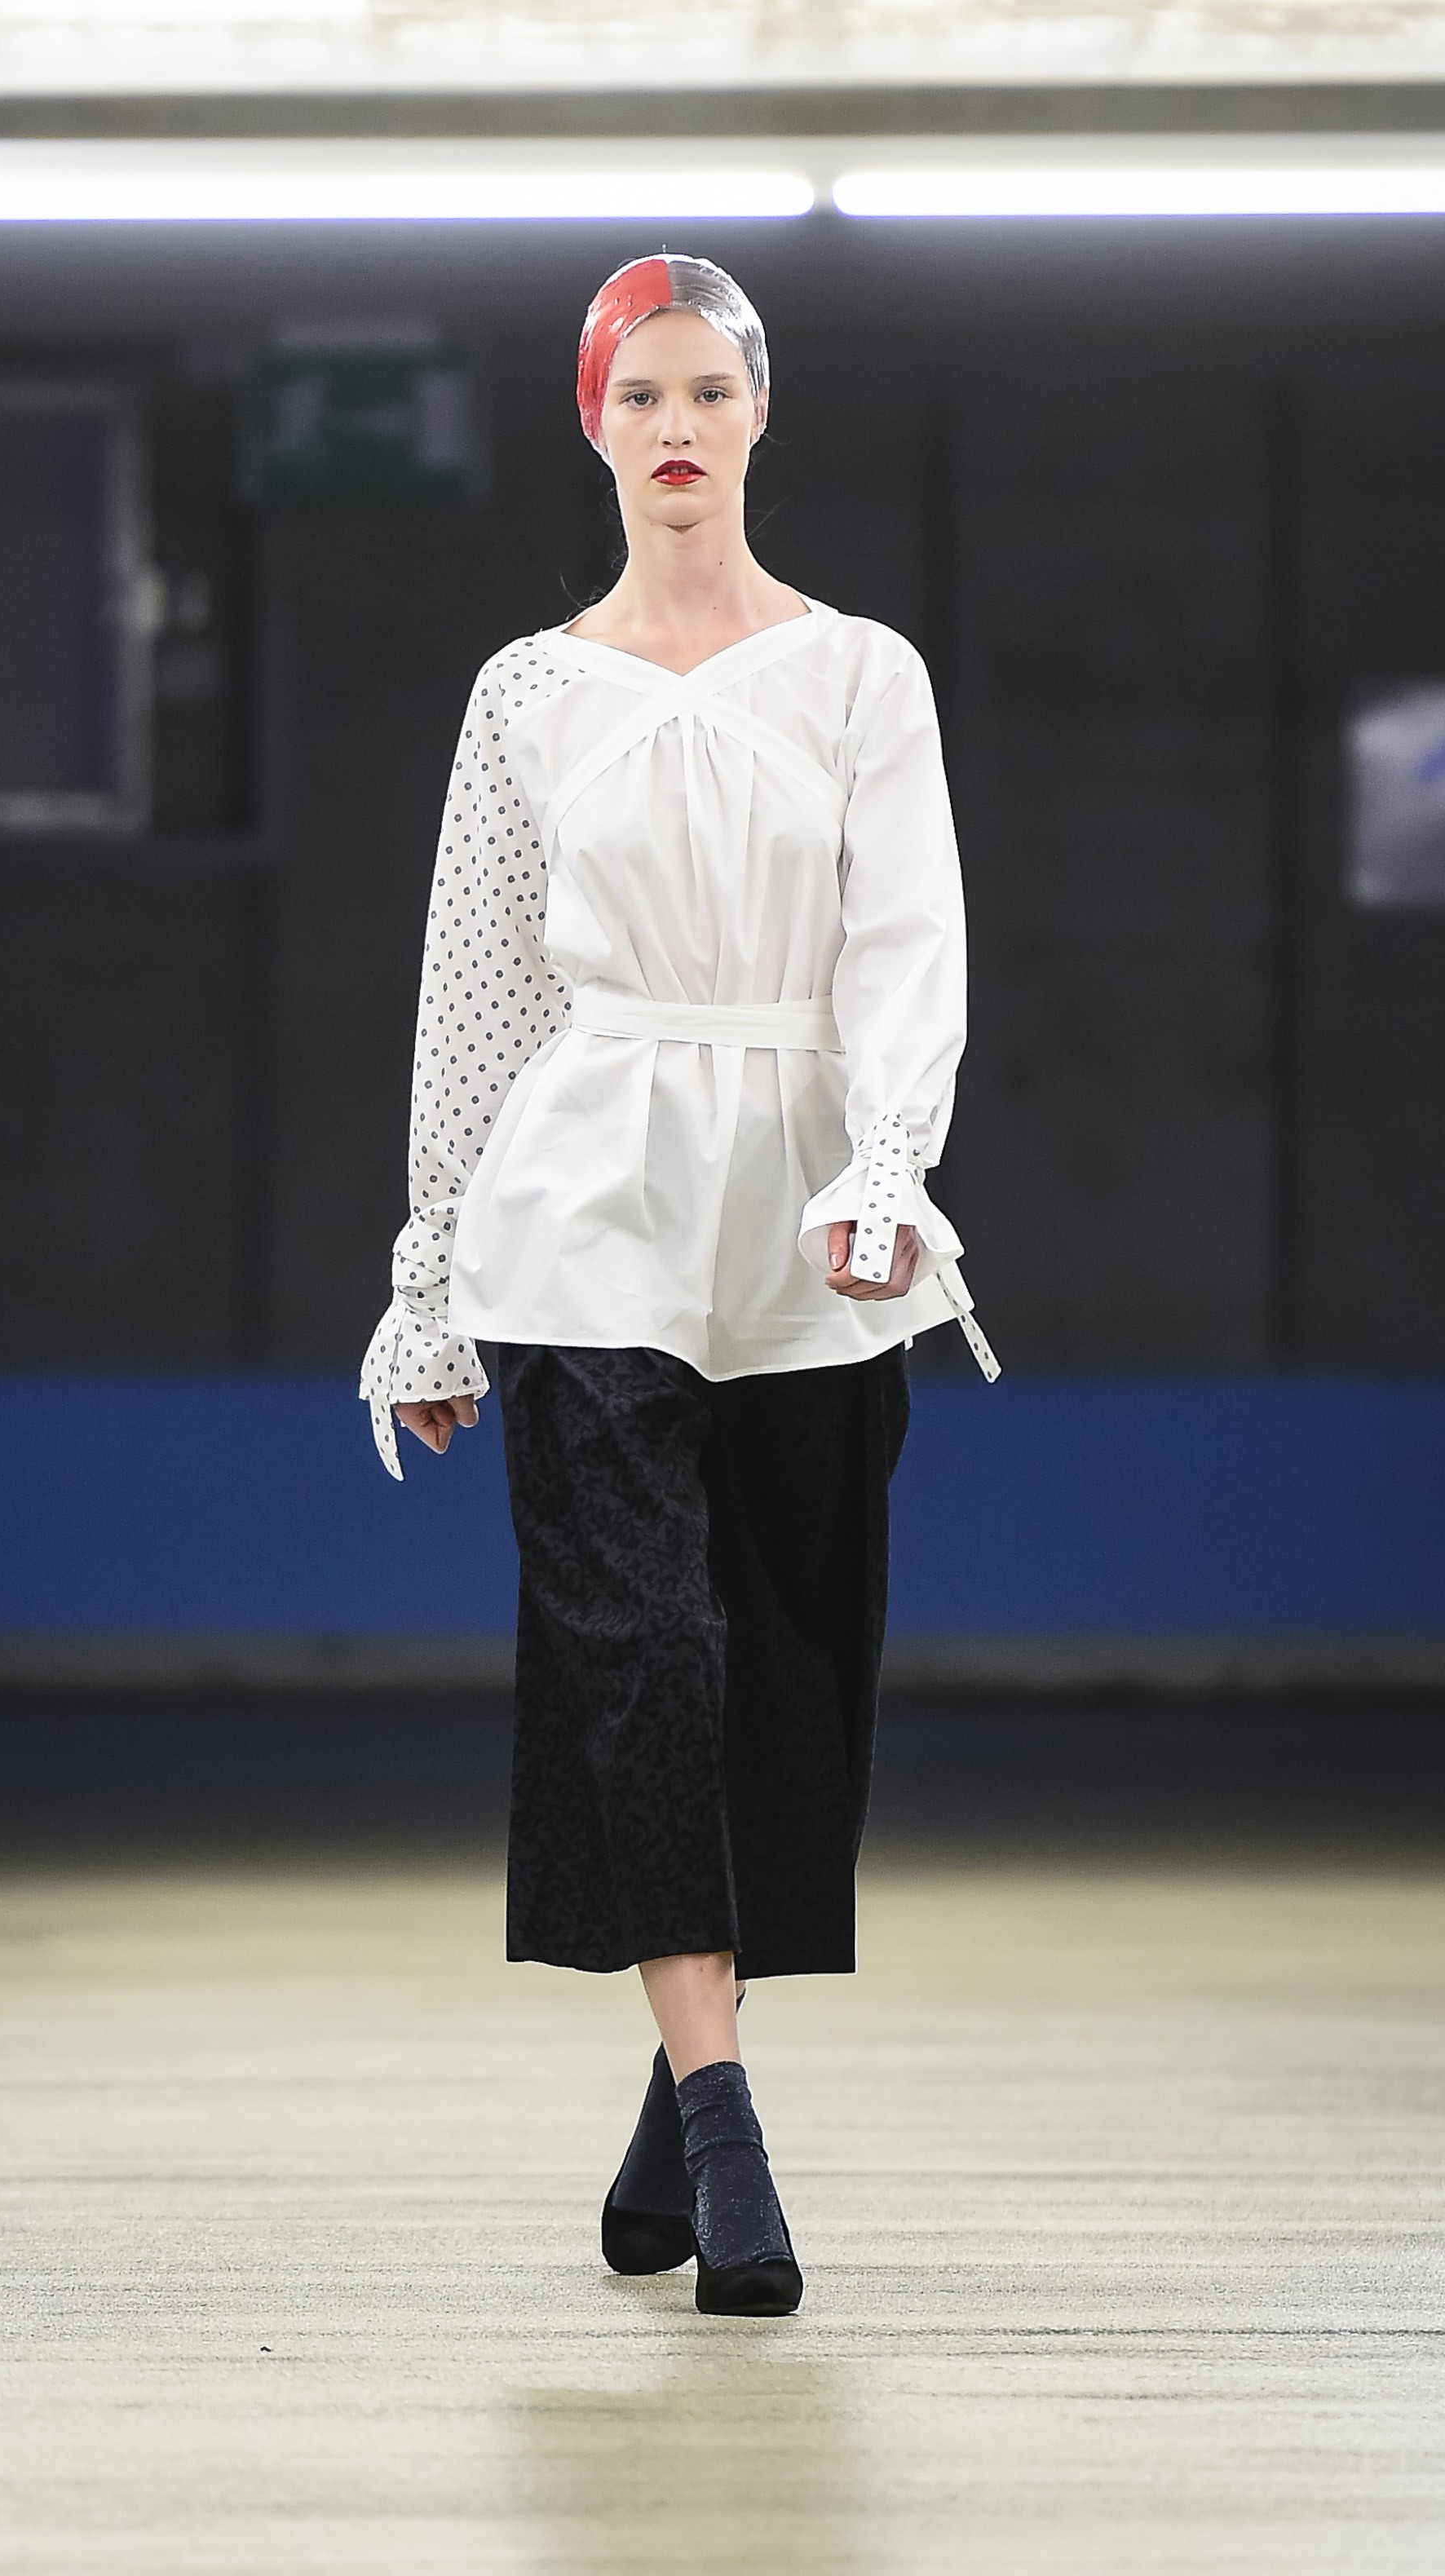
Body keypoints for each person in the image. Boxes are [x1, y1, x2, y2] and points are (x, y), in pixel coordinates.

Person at [360, 252, 996, 2317]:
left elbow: (907, 939)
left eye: (709, 389)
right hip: (589, 1201)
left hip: (807, 1211)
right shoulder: (527, 695)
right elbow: (477, 993)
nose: (677, 427)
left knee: (788, 1671)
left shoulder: (859, 675)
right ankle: (727, 2132)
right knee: (641, 1648)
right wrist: (432, 1275)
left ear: (759, 412)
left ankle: (671, 2090)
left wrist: (886, 1163)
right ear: (593, 424)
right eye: (639, 394)